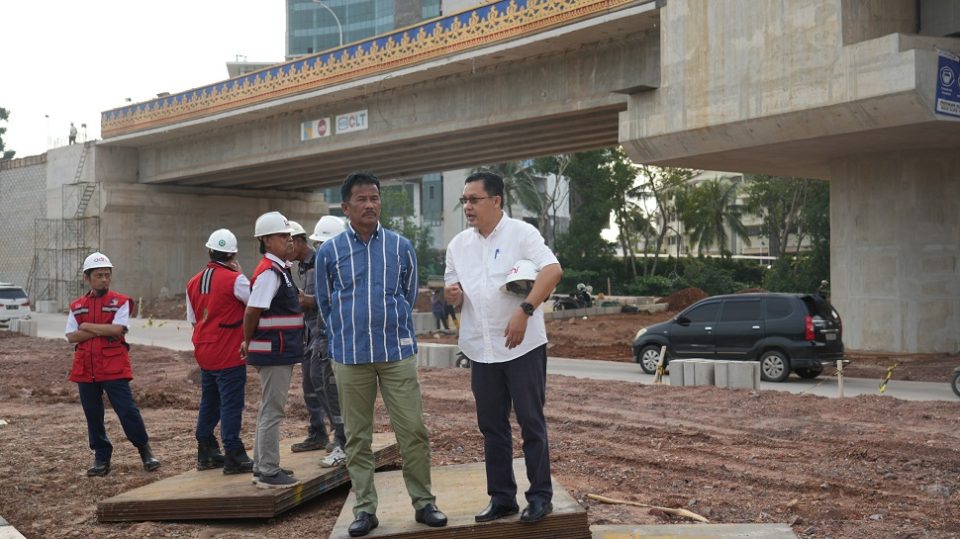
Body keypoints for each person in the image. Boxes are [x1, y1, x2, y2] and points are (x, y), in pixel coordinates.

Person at [315, 172, 447, 537]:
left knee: (413, 431)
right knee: (357, 437)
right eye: (362, 199)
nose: (370, 204)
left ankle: (424, 503)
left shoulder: (401, 247)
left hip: (395, 353)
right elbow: (326, 304)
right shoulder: (330, 252)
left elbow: (406, 294)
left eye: (375, 198)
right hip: (350, 355)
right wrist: (348, 332)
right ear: (346, 207)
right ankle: (365, 509)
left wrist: (389, 326)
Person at [444, 171, 563, 524]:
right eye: (464, 200)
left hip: (522, 346)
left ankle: (540, 496)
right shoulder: (458, 245)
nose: (467, 206)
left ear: (496, 201)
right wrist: (451, 295)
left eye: (474, 199)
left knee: (530, 422)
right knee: (492, 427)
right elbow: (454, 291)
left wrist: (525, 311)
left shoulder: (521, 234)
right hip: (480, 349)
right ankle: (502, 498)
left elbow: (552, 270)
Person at [66, 251, 161, 477]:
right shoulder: (77, 305)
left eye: (107, 275)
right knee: (93, 414)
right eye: (99, 275)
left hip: (113, 367)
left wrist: (87, 326)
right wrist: (99, 329)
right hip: (85, 369)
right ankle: (101, 458)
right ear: (87, 278)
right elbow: (71, 336)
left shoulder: (120, 302)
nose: (105, 279)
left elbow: (118, 329)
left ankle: (144, 450)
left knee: (127, 410)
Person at [242, 211, 304, 489]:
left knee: (269, 408)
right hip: (274, 351)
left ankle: (262, 465)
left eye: (290, 236)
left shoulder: (280, 269)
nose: (289, 241)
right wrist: (247, 340)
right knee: (273, 410)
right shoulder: (269, 272)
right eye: (283, 236)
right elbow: (252, 311)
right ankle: (267, 470)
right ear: (267, 240)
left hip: (279, 350)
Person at [185, 228, 255, 475]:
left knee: (210, 400)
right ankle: (233, 453)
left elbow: (193, 319)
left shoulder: (193, 281)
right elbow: (255, 304)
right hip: (228, 352)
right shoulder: (236, 279)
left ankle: (205, 449)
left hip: (205, 351)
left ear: (209, 251)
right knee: (231, 403)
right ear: (233, 253)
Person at [289, 218, 348, 468]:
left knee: (330, 387)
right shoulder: (313, 266)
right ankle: (333, 435)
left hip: (332, 335)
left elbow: (336, 300)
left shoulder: (336, 266)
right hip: (317, 333)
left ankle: (343, 440)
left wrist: (310, 301)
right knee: (317, 383)